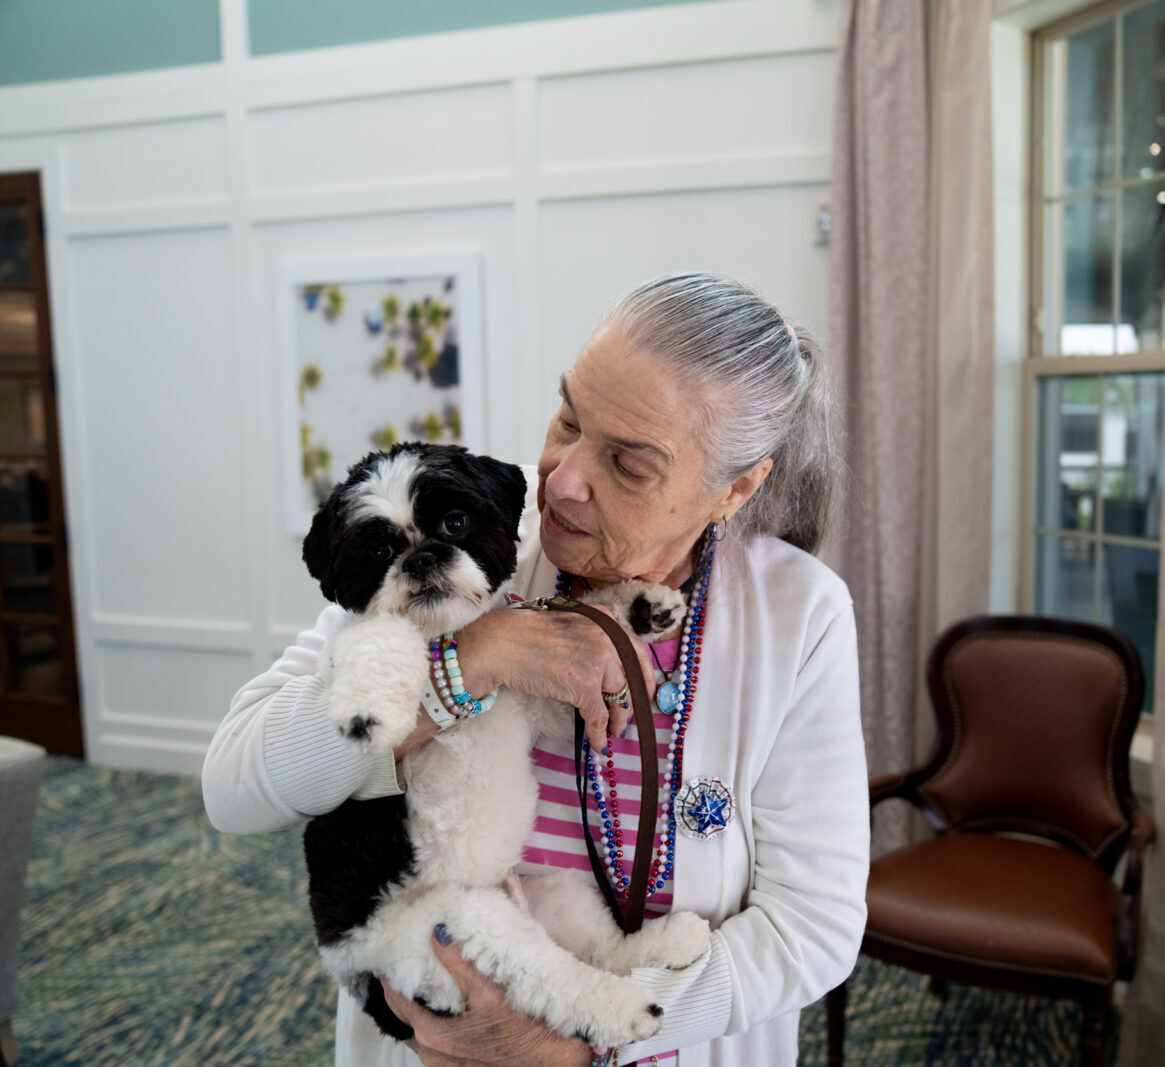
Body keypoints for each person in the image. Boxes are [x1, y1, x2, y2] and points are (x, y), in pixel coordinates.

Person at [202, 273, 869, 1066]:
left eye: (627, 463)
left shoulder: (796, 614)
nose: (562, 478)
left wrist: (576, 1043)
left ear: (735, 487)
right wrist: (466, 663)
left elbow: (813, 927)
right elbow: (233, 790)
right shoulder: (466, 561)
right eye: (568, 418)